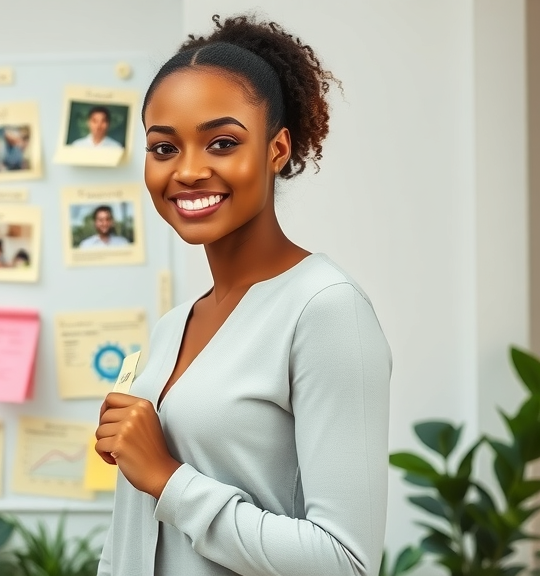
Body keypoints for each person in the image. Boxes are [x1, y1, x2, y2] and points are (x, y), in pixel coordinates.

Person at [94, 14, 389, 576]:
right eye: (163, 148)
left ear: (278, 149)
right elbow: (129, 534)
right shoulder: (171, 327)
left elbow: (345, 562)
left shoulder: (326, 310)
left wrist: (166, 476)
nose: (188, 171)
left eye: (222, 142)